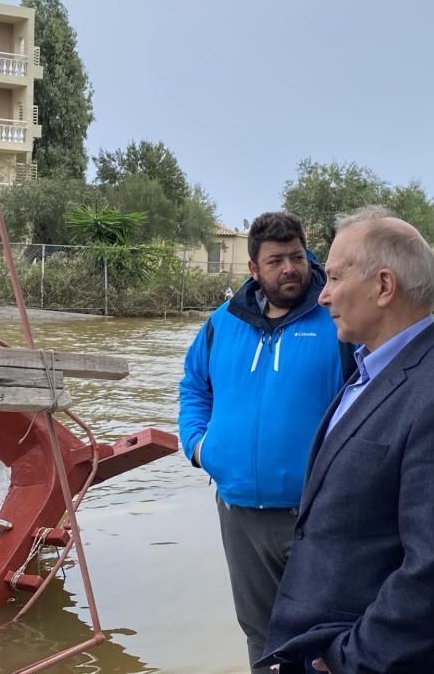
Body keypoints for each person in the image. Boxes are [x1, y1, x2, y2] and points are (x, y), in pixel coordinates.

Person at [257, 207, 434, 673]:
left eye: (332, 277)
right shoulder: (370, 370)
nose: (323, 295)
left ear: (384, 287)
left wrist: (348, 659)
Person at [178, 211, 354, 673]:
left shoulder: (339, 317)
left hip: (315, 513)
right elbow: (194, 386)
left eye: (297, 256)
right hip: (239, 514)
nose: (290, 269)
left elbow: (372, 394)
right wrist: (199, 446)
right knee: (259, 632)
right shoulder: (221, 323)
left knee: (320, 637)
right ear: (253, 269)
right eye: (276, 260)